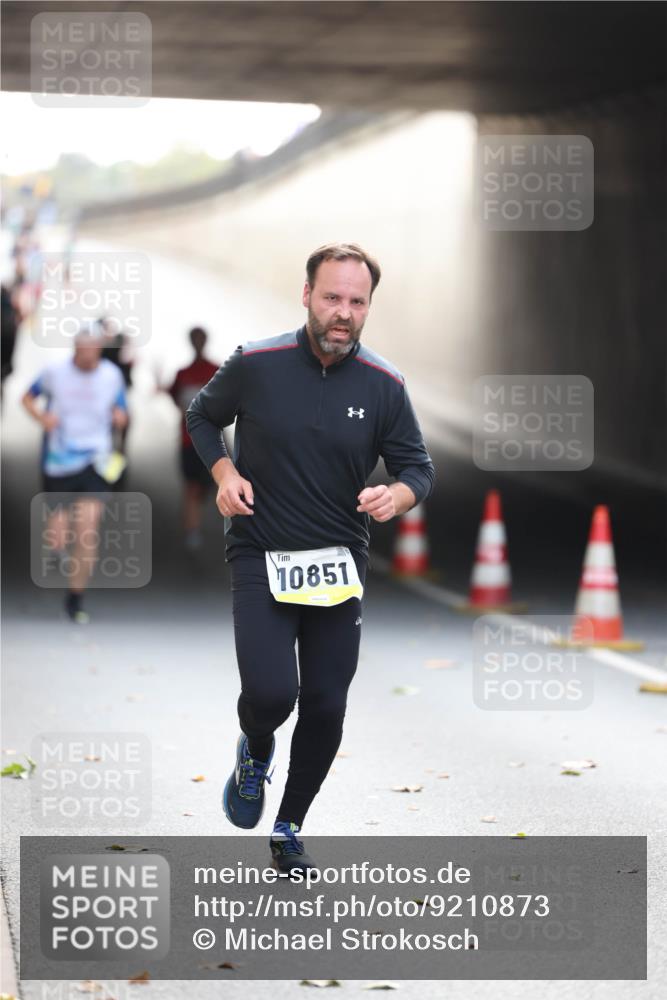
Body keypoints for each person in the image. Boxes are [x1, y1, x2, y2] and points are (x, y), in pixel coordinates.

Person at [186, 242, 435, 874]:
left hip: (338, 562)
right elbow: (201, 416)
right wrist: (222, 473)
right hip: (260, 551)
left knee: (327, 703)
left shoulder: (384, 386)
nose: (343, 313)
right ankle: (255, 749)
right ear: (306, 296)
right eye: (332, 297)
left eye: (357, 301)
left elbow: (417, 468)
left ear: (368, 307)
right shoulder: (256, 363)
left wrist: (396, 495)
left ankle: (290, 822)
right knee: (271, 693)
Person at [21, 327, 129, 624]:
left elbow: (123, 410)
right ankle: (56, 550)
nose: (88, 355)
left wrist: (121, 418)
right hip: (59, 460)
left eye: (93, 349)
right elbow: (27, 398)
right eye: (83, 349)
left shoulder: (111, 376)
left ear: (99, 349)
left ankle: (75, 598)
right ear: (75, 348)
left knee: (87, 531)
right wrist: (43, 418)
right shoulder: (54, 372)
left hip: (96, 460)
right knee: (59, 531)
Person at [166, 327, 219, 550]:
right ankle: (192, 530)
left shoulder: (218, 371)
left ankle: (195, 510)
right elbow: (174, 396)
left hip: (214, 440)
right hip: (188, 441)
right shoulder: (182, 374)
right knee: (191, 486)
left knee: (210, 485)